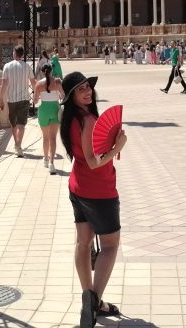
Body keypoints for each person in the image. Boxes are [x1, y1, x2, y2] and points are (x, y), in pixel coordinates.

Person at [60, 71, 126, 328]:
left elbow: (82, 158)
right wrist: (117, 149)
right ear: (71, 96)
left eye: (88, 87)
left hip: (77, 187)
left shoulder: (70, 118)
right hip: (99, 190)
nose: (88, 92)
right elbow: (94, 162)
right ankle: (94, 301)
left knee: (83, 243)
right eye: (81, 90)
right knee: (109, 245)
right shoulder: (87, 120)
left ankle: (89, 297)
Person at [0, 44, 35, 157]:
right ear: (22, 54)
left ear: (14, 53)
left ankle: (17, 144)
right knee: (21, 124)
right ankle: (18, 145)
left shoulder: (7, 66)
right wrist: (37, 96)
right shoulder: (27, 67)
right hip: (24, 98)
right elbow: (33, 82)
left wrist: (1, 100)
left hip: (12, 99)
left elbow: (4, 84)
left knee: (13, 123)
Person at [32, 61, 63, 173]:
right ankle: (52, 163)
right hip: (55, 109)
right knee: (53, 138)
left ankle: (45, 159)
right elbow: (63, 96)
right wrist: (59, 95)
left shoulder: (38, 84)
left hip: (44, 110)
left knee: (45, 137)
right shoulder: (58, 82)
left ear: (41, 72)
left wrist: (37, 97)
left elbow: (35, 101)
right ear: (51, 71)